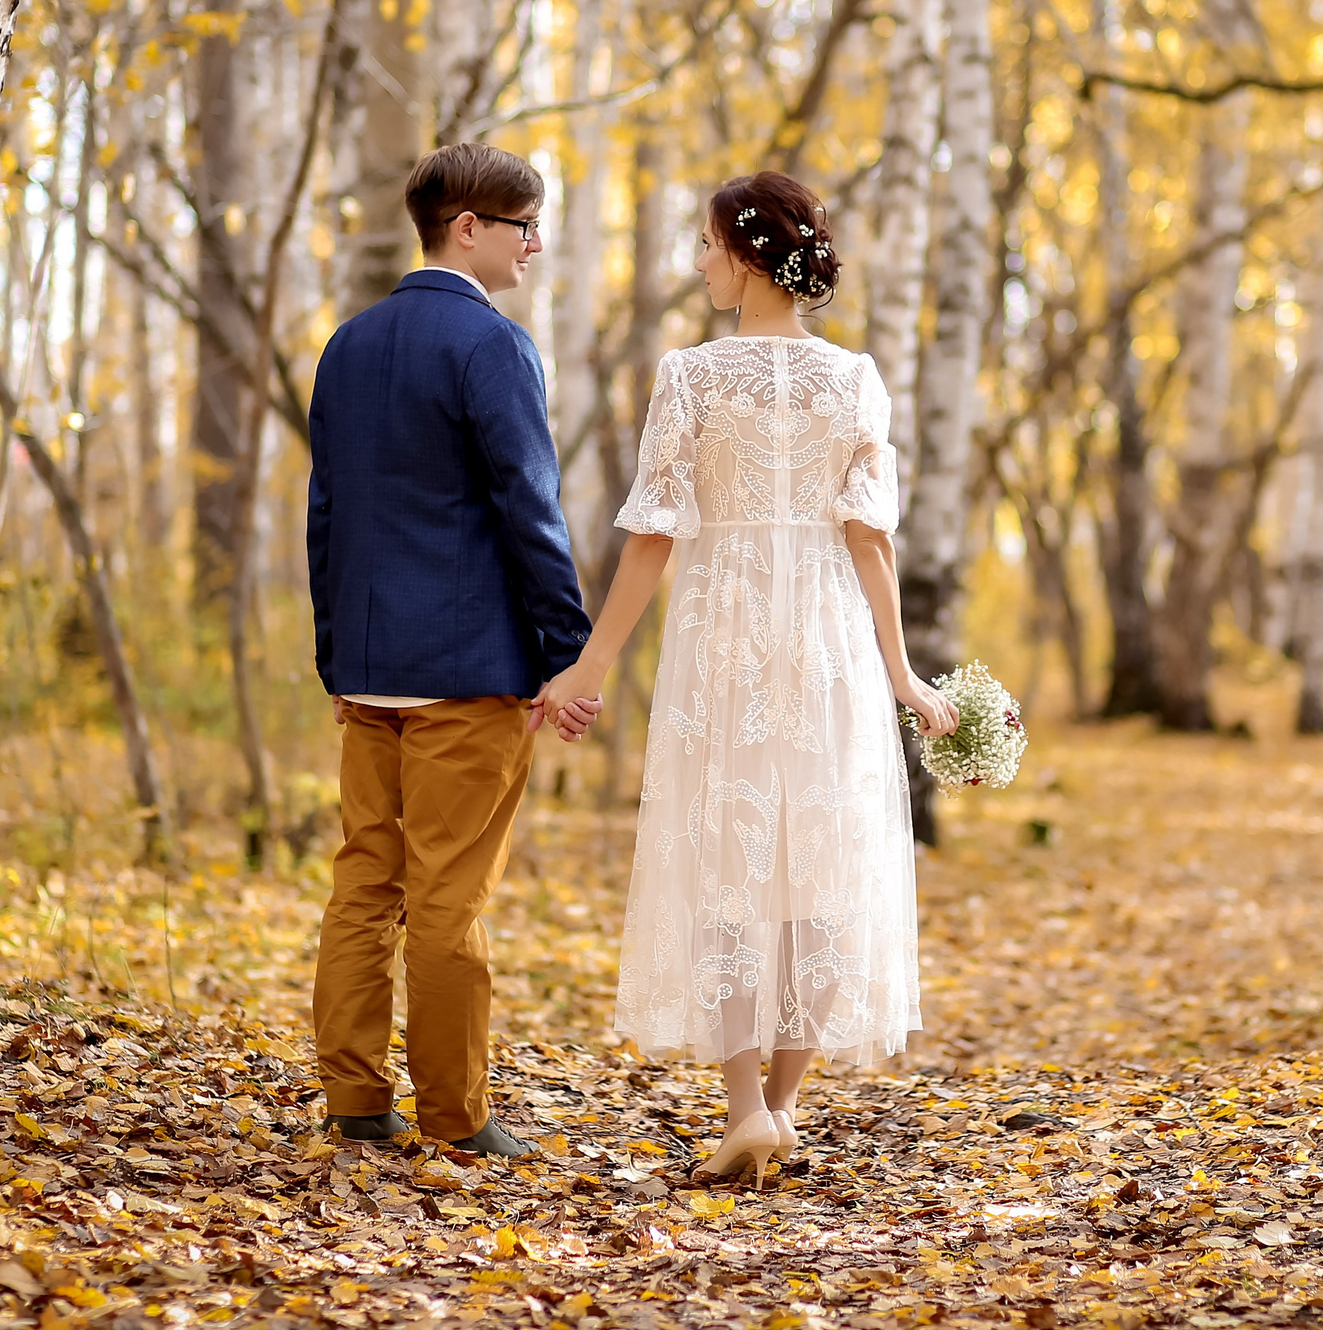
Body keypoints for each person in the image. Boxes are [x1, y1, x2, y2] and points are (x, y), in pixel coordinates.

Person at [534, 170, 957, 1186]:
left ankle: (743, 1111)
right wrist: (901, 675)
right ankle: (780, 1107)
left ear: (744, 253)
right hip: (824, 636)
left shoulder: (689, 376)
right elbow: (870, 541)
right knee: (814, 865)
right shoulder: (854, 379)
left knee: (730, 866)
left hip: (722, 636)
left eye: (704, 244)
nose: (694, 260)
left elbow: (650, 540)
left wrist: (589, 665)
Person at [305, 142, 599, 1158]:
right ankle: (455, 1117)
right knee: (446, 900)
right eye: (523, 225)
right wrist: (569, 648)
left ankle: (352, 1100)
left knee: (364, 884)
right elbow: (531, 509)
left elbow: (327, 514)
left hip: (373, 670)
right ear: (466, 228)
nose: (535, 244)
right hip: (469, 672)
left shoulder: (350, 342)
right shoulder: (492, 345)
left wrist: (338, 658)